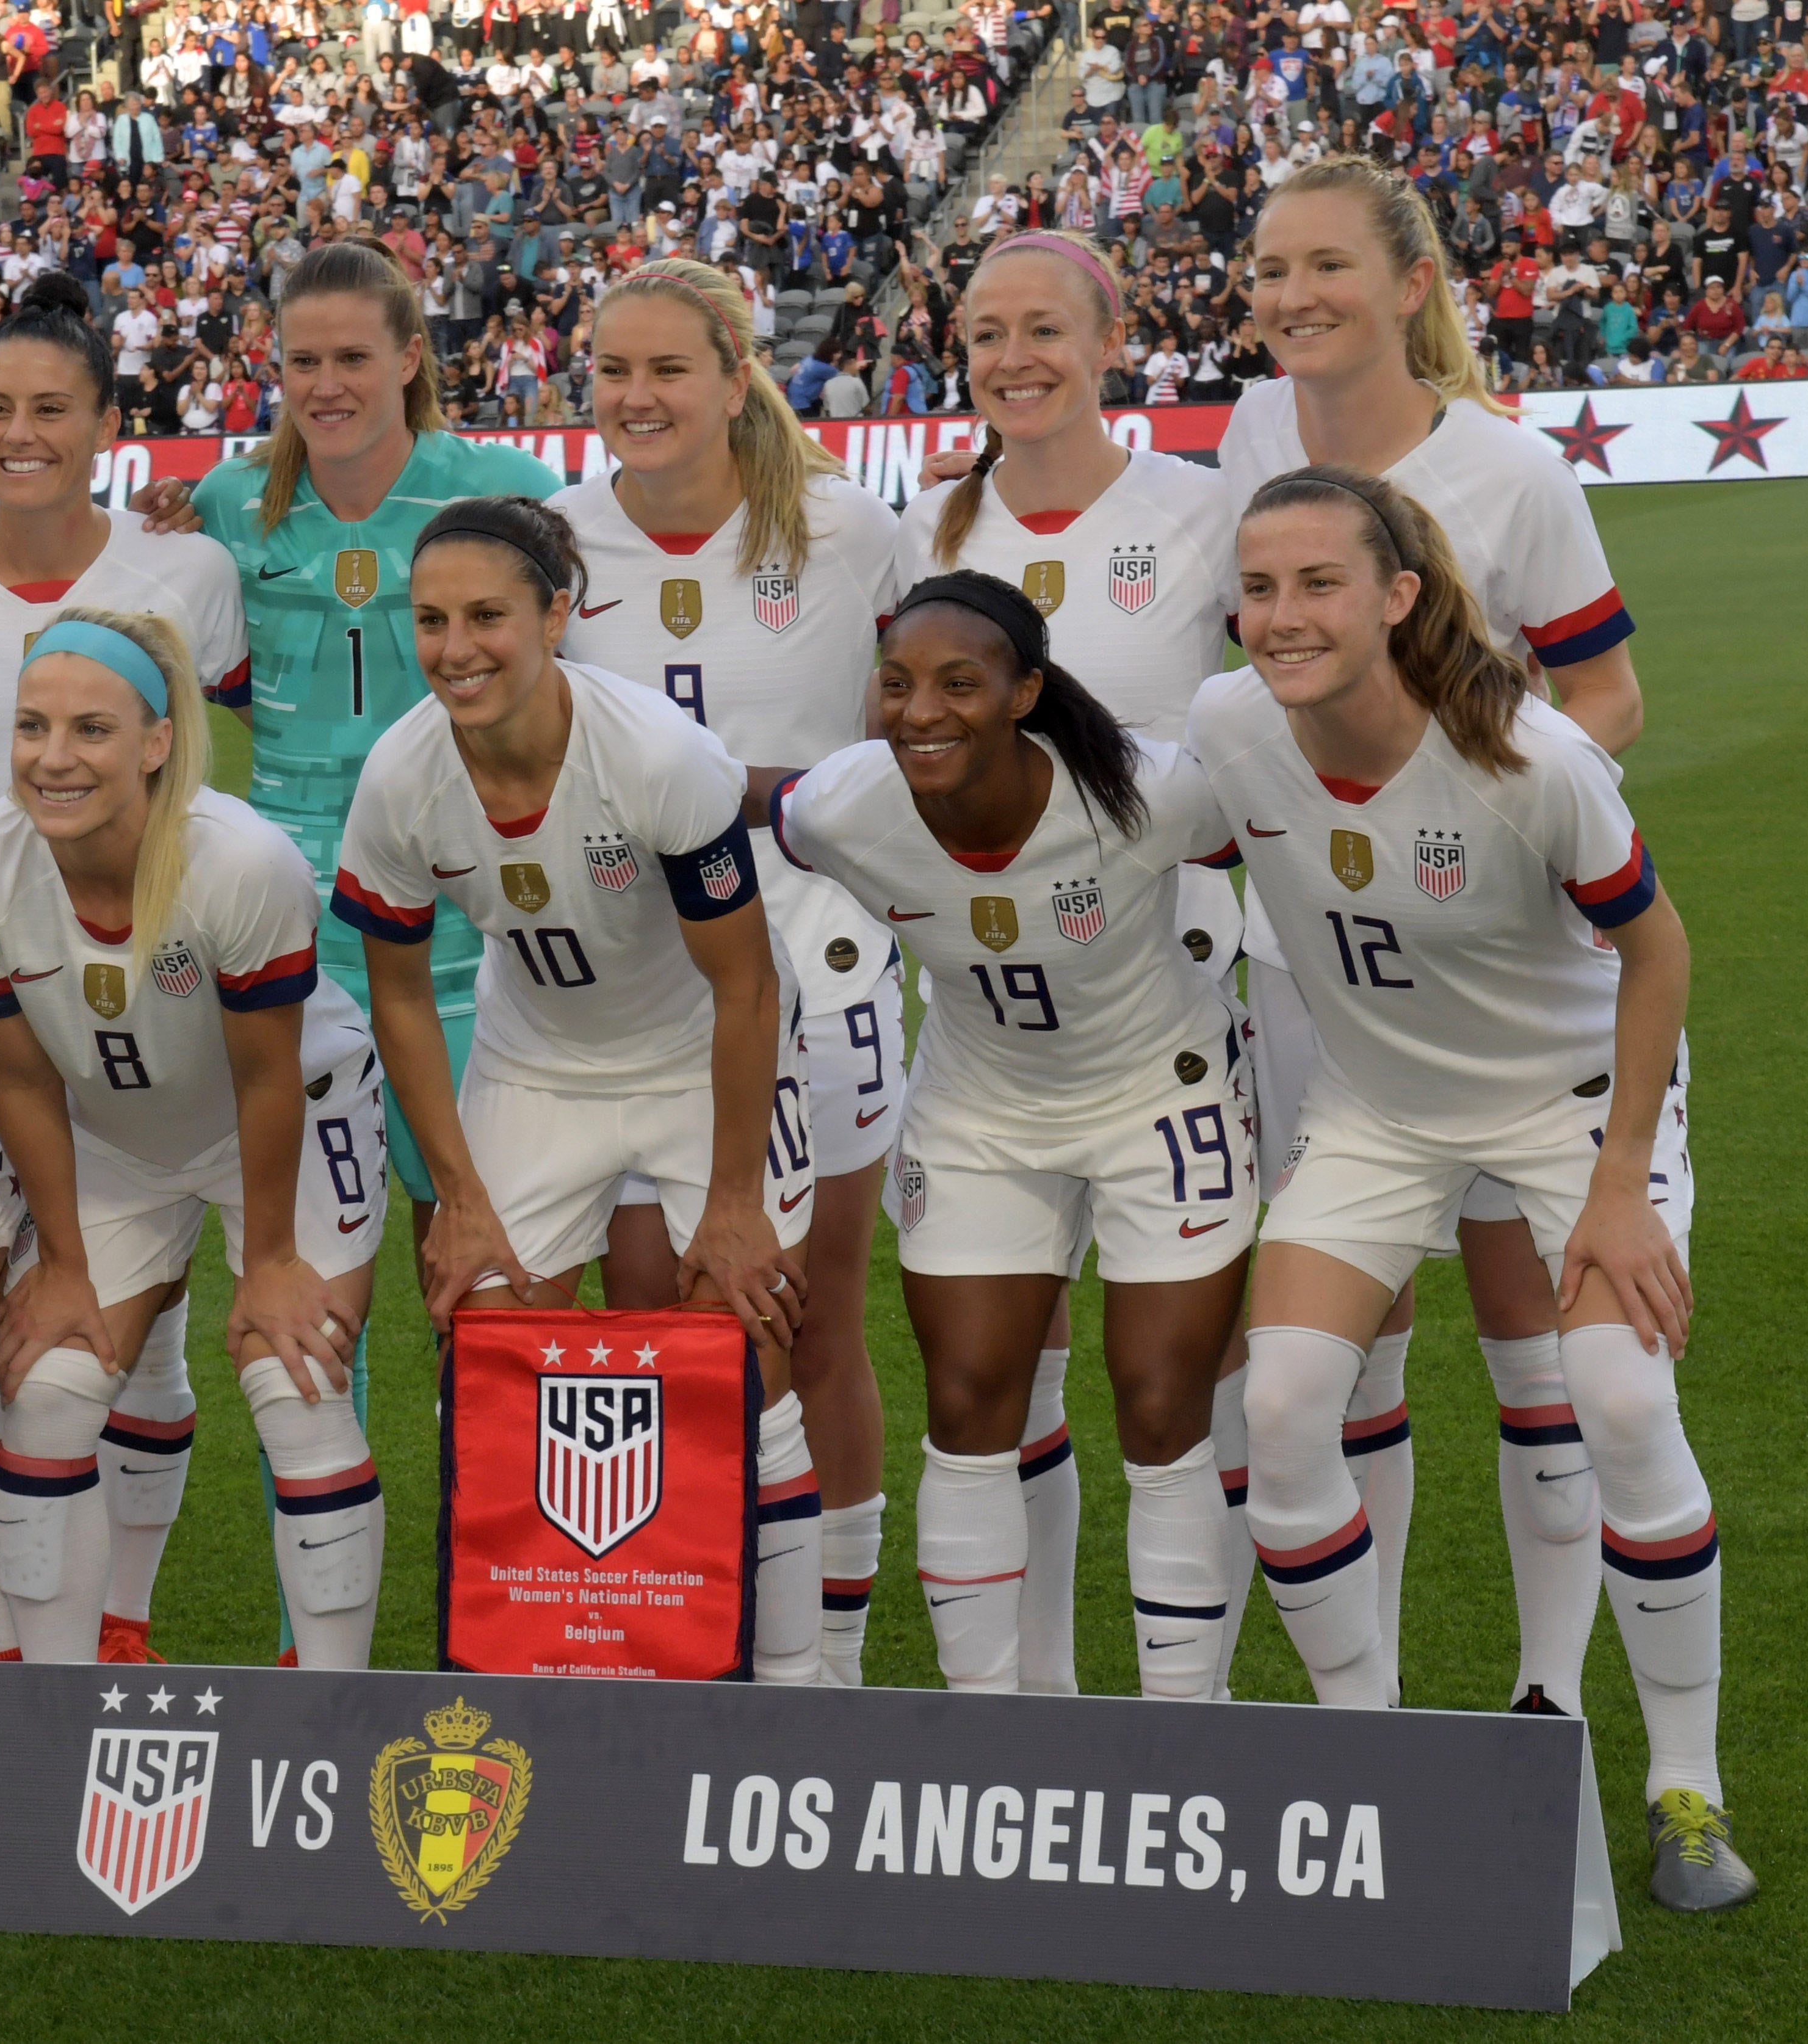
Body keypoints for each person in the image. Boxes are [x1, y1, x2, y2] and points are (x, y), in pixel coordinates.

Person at [1199, 466, 1748, 1915]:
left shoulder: (1529, 758)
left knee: (1622, 1405)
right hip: (1380, 1112)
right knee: (1281, 1407)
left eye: (1319, 584)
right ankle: (1372, 1771)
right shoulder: (1228, 731)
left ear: (1398, 595)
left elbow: (1659, 952)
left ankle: (1683, 1787)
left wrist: (1623, 1185)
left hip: (1572, 1112)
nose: (1282, 616)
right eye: (1259, 588)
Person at [1213, 156, 1654, 1720]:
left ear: (1411, 285)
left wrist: (1468, 821)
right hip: (1315, 979)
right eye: (1270, 271)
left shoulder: (1513, 470)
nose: (1292, 298)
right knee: (1350, 1351)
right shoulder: (1251, 440)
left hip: (1490, 967)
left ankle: (1550, 1700)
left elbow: (1607, 699)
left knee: (1536, 1352)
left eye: (1326, 266)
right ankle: (1380, 1720)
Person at [126, 239, 555, 1656]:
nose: (324, 384)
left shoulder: (514, 500)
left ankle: (505, 1604)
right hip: (296, 925)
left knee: (487, 1273)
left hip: (470, 915)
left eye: (351, 357)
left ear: (411, 356)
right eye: (300, 360)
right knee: (315, 1286)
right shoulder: (234, 509)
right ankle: (340, 1645)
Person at [333, 495, 823, 1683]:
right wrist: (456, 1197)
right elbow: (399, 998)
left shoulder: (657, 757)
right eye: (434, 619)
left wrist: (735, 1198)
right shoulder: (401, 781)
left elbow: (746, 987)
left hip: (706, 1057)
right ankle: (533, 1678)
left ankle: (796, 1691)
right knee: (488, 1364)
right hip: (537, 1067)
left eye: (489, 615)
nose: (458, 648)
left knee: (744, 1360)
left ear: (558, 613)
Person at [0, 272, 250, 1665]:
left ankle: (116, 1619)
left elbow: (274, 714)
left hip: (140, 1003)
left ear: (107, 425)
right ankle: (8, 1643)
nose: (21, 432)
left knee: (140, 1329)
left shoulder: (184, 574)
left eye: (52, 410)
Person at [775, 571, 1252, 1698]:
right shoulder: (843, 805)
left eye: (958, 684)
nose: (921, 712)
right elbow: (742, 806)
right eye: (895, 685)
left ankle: (1185, 1725)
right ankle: (987, 1729)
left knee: (1158, 1408)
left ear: (1025, 691)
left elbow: (1272, 834)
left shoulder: (1143, 790)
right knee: (969, 1403)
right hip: (982, 1109)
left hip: (1157, 1096)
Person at [897, 228, 1242, 1695]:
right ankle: (1028, 1707)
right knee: (998, 1373)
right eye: (987, 333)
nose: (1014, 357)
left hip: (1183, 989)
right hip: (991, 1010)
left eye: (1046, 329)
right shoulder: (928, 524)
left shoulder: (1206, 512)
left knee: (1192, 1385)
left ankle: (1194, 1727)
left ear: (1112, 342)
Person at [553, 256, 903, 1687]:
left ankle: (830, 1662)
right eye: (613, 373)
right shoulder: (554, 539)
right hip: (642, 978)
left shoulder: (851, 532)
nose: (638, 399)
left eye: (668, 370)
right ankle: (687, 1643)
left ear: (736, 370)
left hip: (824, 962)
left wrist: (766, 793)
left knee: (811, 1317)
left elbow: (918, 744)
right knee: (658, 1313)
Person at [0, 609, 391, 1667]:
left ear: (155, 742)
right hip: (114, 1136)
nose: (52, 759)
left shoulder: (237, 863)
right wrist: (67, 1265)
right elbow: (18, 1073)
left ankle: (327, 1708)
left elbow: (269, 1075)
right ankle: (62, 1708)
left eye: (91, 730)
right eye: (30, 726)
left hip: (285, 1115)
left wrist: (269, 1263)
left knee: (297, 1381)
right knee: (47, 1395)